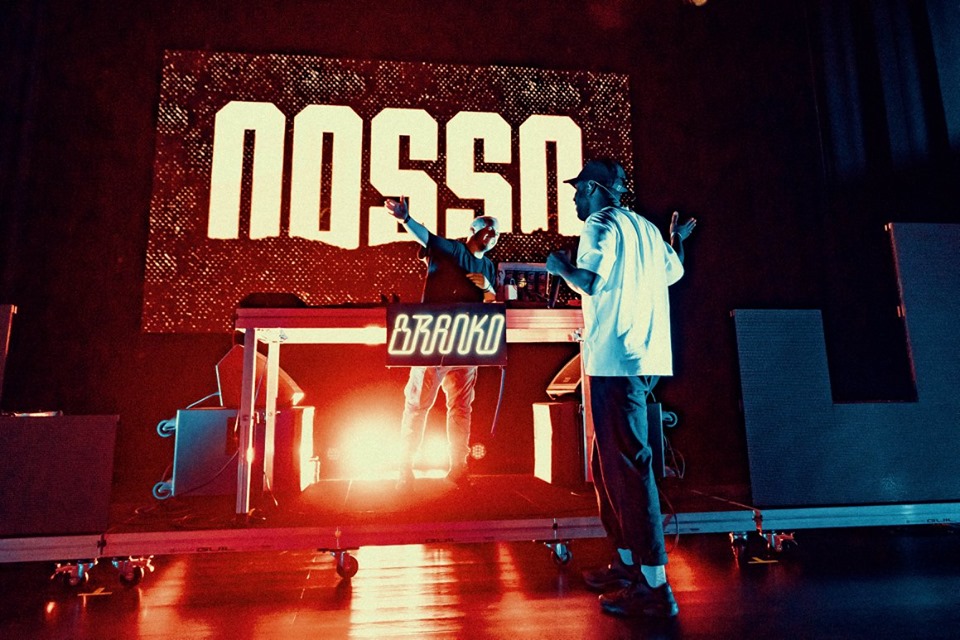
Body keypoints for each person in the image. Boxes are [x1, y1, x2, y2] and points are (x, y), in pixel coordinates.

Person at [546, 159, 695, 619]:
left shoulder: (599, 224)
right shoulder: (646, 229)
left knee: (629, 469)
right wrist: (675, 240)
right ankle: (629, 563)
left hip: (615, 362)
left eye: (578, 191)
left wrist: (560, 266)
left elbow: (589, 281)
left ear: (595, 189)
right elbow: (675, 271)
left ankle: (655, 585)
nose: (575, 199)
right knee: (606, 464)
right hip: (642, 360)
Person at [383, 197, 500, 490]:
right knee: (417, 404)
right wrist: (405, 219)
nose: (492, 234)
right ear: (473, 230)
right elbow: (427, 238)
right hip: (433, 341)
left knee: (461, 408)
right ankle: (404, 468)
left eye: (496, 232)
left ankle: (458, 468)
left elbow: (491, 300)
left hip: (465, 344)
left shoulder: (488, 265)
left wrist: (488, 287)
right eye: (487, 228)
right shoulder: (453, 250)